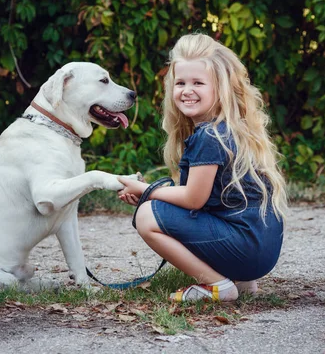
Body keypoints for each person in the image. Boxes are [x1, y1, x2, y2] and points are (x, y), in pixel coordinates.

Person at [117, 33, 288, 302]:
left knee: (147, 216)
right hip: (260, 250)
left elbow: (193, 199)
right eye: (181, 82)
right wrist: (150, 192)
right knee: (160, 206)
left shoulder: (210, 136)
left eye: (198, 82)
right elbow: (206, 198)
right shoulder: (229, 129)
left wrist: (146, 191)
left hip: (247, 249)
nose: (187, 90)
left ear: (220, 88)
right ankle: (243, 283)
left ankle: (218, 286)